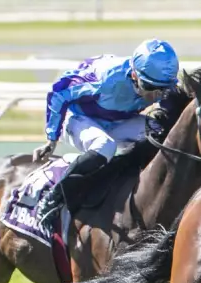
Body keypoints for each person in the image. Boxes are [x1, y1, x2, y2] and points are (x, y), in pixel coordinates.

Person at [32, 38, 180, 230]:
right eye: (150, 88)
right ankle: (54, 198)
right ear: (134, 74)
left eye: (164, 89)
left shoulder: (161, 83)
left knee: (159, 134)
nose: (156, 96)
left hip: (117, 120)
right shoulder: (107, 78)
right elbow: (59, 93)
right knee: (104, 146)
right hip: (79, 117)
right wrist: (51, 139)